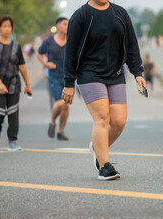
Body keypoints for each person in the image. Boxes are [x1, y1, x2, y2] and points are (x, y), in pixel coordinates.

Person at [62, 0, 146, 180]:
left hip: (115, 73)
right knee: (102, 117)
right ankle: (104, 167)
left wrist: (137, 72)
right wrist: (69, 82)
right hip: (89, 73)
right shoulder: (81, 16)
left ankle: (97, 147)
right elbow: (70, 51)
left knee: (119, 121)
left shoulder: (120, 14)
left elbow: (131, 44)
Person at [0, 15, 33, 151]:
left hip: (14, 84)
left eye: (9, 26)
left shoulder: (16, 46)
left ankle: (13, 141)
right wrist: (0, 84)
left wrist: (27, 84)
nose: (7, 29)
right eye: (4, 26)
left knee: (13, 114)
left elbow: (22, 66)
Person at [37, 17, 70, 140]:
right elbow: (39, 53)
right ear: (58, 26)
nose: (67, 26)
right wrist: (46, 64)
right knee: (60, 102)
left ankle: (61, 132)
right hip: (54, 76)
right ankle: (52, 122)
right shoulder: (49, 41)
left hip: (68, 78)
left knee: (66, 106)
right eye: (65, 24)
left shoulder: (71, 41)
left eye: (68, 24)